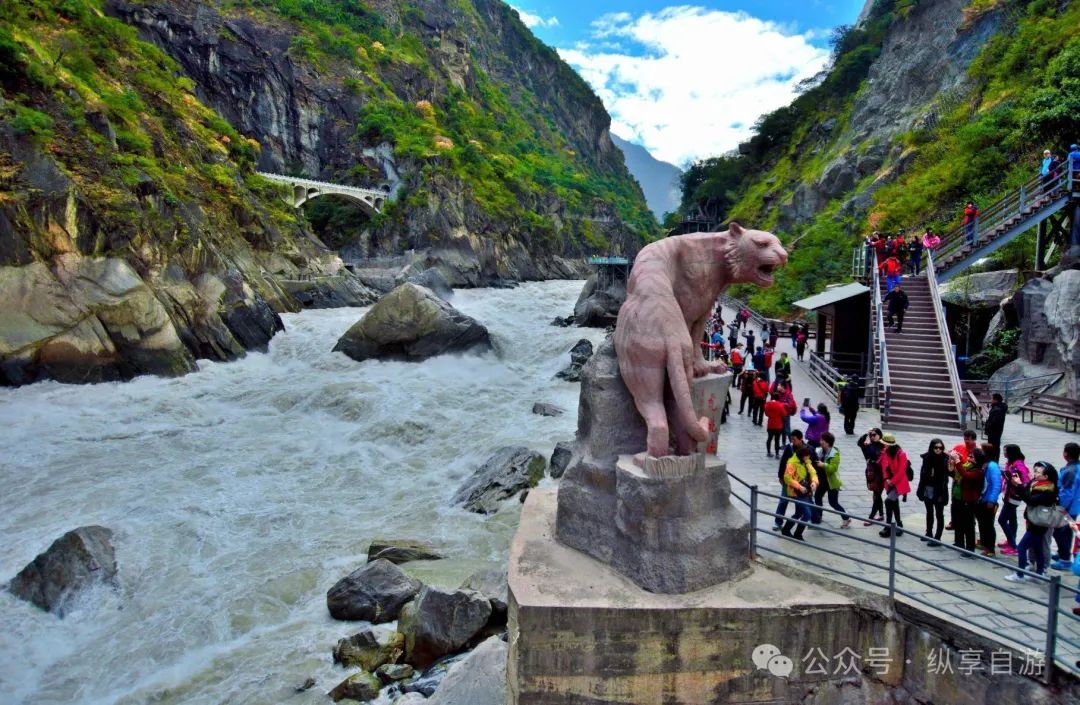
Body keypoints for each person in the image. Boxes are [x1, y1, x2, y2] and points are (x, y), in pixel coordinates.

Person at [1005, 461, 1057, 583]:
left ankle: (1020, 574)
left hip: (1039, 523)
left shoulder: (1048, 490)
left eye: (1038, 472)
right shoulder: (1036, 483)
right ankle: (1039, 574)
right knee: (1038, 547)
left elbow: (1030, 500)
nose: (1035, 474)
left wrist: (1019, 486)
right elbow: (1025, 492)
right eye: (1035, 471)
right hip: (1034, 521)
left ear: (1046, 477)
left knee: (1022, 547)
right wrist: (1019, 484)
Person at [1050, 442, 1080, 570]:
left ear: (1066, 454)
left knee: (1060, 532)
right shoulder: (1075, 467)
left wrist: (1060, 507)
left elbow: (1067, 492)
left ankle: (1065, 559)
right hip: (1074, 506)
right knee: (1065, 531)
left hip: (1067, 508)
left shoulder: (1070, 471)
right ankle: (1062, 553)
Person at [812, 432, 851, 527]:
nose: (820, 442)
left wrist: (823, 464)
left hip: (831, 482)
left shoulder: (835, 454)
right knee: (817, 497)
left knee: (833, 503)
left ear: (828, 443)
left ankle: (846, 518)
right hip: (821, 481)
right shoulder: (819, 451)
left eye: (823, 441)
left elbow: (833, 468)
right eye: (821, 440)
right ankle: (818, 516)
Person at [997, 444, 1030, 556]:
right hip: (1008, 495)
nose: (1004, 452)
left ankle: (1013, 545)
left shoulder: (1018, 466)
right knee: (1012, 518)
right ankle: (1011, 539)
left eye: (1005, 451)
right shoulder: (1010, 463)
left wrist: (1007, 475)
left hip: (1013, 497)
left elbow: (1020, 481)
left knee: (1002, 520)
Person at [781, 445, 819, 541]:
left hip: (806, 492)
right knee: (807, 514)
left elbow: (813, 473)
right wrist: (799, 486)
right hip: (796, 492)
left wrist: (814, 482)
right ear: (802, 455)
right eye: (807, 456)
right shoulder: (792, 464)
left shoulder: (806, 462)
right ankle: (797, 534)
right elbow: (787, 478)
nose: (809, 458)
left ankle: (786, 529)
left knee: (798, 513)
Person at [773, 430, 809, 530]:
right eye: (791, 439)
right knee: (783, 501)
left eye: (794, 439)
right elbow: (783, 462)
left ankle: (807, 520)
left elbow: (809, 465)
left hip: (801, 482)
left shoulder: (807, 449)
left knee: (802, 503)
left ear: (801, 439)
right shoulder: (789, 448)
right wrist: (780, 476)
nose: (793, 441)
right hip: (788, 481)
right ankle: (778, 522)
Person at [917, 439, 950, 545]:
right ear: (932, 447)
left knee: (939, 514)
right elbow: (922, 474)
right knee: (929, 512)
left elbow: (948, 476)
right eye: (936, 447)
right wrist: (920, 489)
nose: (938, 450)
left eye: (940, 447)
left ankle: (937, 537)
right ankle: (929, 533)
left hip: (940, 490)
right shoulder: (927, 457)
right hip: (928, 488)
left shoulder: (946, 459)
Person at [955, 447, 987, 553]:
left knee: (969, 525)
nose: (968, 458)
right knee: (960, 522)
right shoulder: (969, 466)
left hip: (971, 501)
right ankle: (959, 543)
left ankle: (970, 549)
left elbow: (965, 475)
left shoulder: (978, 471)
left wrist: (958, 461)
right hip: (962, 498)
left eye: (971, 457)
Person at [878, 433, 911, 538]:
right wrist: (886, 478)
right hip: (889, 482)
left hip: (899, 482)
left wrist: (892, 481)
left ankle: (887, 527)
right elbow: (884, 467)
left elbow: (901, 471)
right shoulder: (885, 452)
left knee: (888, 501)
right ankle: (899, 525)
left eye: (885, 444)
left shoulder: (901, 454)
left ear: (890, 445)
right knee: (894, 503)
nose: (884, 446)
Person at [975, 443, 1003, 557]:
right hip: (982, 499)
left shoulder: (992, 466)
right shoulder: (984, 464)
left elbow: (996, 485)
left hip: (989, 500)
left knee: (988, 524)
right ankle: (983, 542)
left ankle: (990, 548)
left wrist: (991, 500)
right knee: (982, 522)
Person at [859, 428, 886, 525]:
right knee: (876, 494)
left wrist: (872, 461)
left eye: (875, 434)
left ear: (880, 435)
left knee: (877, 495)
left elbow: (883, 461)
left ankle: (871, 518)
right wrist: (867, 433)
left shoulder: (884, 446)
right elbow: (860, 443)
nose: (873, 436)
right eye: (871, 435)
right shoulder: (868, 446)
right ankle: (881, 514)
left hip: (881, 474)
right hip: (871, 473)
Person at [984, 393, 1007, 462]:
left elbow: (994, 422)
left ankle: (993, 460)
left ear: (996, 400)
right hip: (997, 431)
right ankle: (993, 459)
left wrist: (988, 427)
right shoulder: (998, 408)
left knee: (994, 446)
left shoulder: (997, 410)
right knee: (995, 446)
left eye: (992, 399)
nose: (991, 400)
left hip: (994, 432)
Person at [763, 393, 786, 458]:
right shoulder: (780, 405)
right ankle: (777, 454)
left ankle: (768, 452)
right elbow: (784, 414)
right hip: (778, 425)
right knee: (777, 439)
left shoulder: (767, 404)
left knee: (769, 438)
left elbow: (766, 414)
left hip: (770, 424)